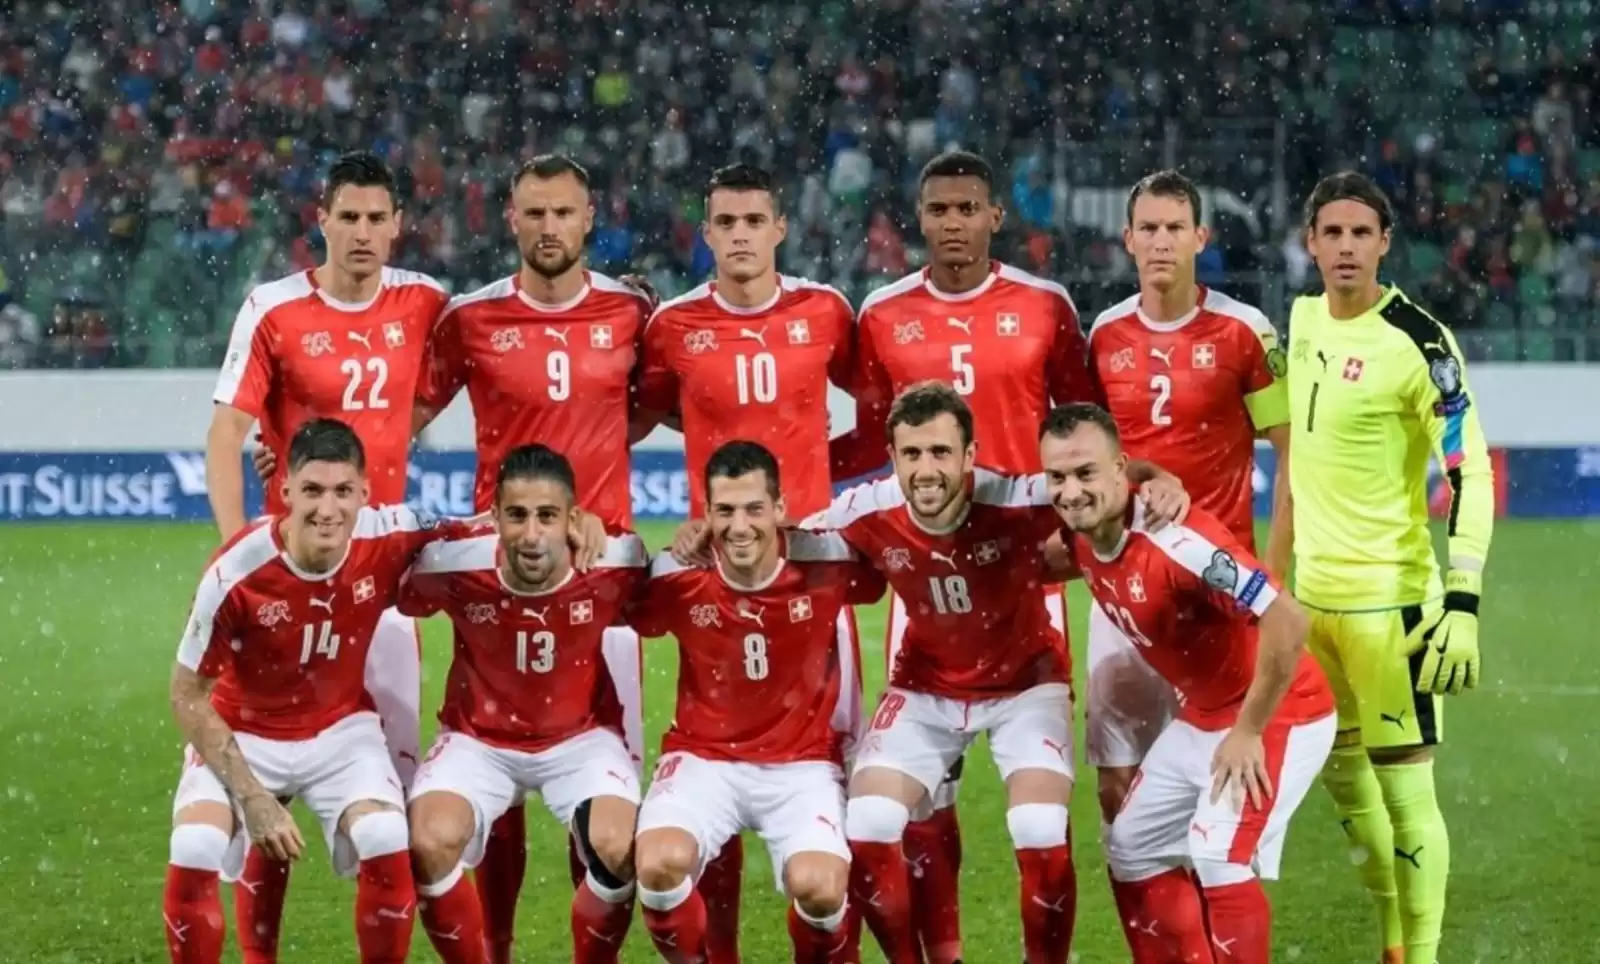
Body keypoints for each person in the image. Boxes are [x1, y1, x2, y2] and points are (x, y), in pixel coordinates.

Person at [797, 382, 1186, 964]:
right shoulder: (866, 508)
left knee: (1038, 825)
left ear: (970, 455)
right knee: (870, 821)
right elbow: (784, 540)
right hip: (925, 686)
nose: (926, 470)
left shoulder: (1016, 497)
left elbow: (1106, 475)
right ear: (892, 456)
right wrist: (708, 536)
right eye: (911, 454)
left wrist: (1161, 478)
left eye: (941, 452)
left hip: (1025, 686)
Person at [826, 151, 1099, 964]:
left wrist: (1078, 534)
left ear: (994, 217)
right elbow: (867, 441)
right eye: (939, 209)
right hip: (923, 580)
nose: (953, 223)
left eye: (967, 208)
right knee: (915, 807)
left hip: (1023, 567)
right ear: (920, 217)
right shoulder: (882, 314)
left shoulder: (1045, 305)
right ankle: (940, 951)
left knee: (1038, 819)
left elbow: (1084, 429)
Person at [203, 151, 449, 964]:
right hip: (295, 578)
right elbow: (226, 434)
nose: (363, 232)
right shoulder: (274, 308)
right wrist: (240, 551)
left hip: (383, 584)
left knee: (398, 808)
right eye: (349, 217)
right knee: (269, 777)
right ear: (323, 220)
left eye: (378, 218)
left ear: (398, 225)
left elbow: (465, 366)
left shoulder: (425, 301)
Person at [415, 153, 655, 964]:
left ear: (590, 219)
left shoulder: (631, 311)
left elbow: (657, 408)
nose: (549, 227)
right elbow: (400, 418)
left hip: (603, 587)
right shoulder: (471, 318)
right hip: (503, 572)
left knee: (605, 815)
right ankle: (500, 946)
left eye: (563, 212)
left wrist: (594, 516)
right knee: (496, 780)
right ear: (511, 218)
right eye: (535, 213)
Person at [639, 162, 863, 961]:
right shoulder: (672, 325)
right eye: (725, 222)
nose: (739, 236)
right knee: (716, 756)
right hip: (722, 569)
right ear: (706, 233)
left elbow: (877, 406)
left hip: (814, 576)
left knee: (842, 779)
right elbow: (644, 412)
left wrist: (827, 481)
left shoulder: (826, 311)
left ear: (780, 229)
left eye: (753, 221)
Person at [1038, 402, 1334, 964]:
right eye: (1058, 477)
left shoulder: (1179, 541)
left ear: (1119, 470)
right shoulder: (1079, 533)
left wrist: (1248, 731)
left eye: (1085, 473)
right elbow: (1030, 557)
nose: (1070, 491)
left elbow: (1288, 620)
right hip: (1203, 714)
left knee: (1218, 854)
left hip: (1281, 710)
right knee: (1132, 847)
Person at [163, 418, 459, 964]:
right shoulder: (234, 573)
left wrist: (571, 529)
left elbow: (481, 531)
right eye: (313, 490)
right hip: (244, 730)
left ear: (365, 493)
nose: (328, 508)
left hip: (339, 729)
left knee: (384, 834)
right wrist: (254, 798)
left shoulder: (389, 532)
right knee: (194, 844)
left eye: (343, 491)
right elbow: (186, 694)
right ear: (286, 492)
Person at [1289, 172, 1492, 964]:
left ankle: (1425, 956)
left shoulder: (1419, 342)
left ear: (1384, 243)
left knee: (1408, 795)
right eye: (1332, 233)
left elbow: (1468, 469)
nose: (1346, 247)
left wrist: (1463, 597)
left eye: (1360, 233)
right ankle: (1393, 943)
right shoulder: (1302, 319)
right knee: (1347, 790)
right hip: (1311, 610)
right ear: (1310, 243)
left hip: (1390, 609)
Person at [1083, 169, 1294, 834]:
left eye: (1175, 227)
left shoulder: (1244, 331)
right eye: (1148, 228)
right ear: (1127, 239)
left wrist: (1272, 575)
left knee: (1219, 781)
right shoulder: (1105, 335)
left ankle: (1211, 894)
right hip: (1124, 587)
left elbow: (1292, 456)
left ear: (1201, 237)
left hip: (1214, 589)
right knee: (1117, 780)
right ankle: (1152, 897)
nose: (1161, 241)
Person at [629, 441, 884, 964]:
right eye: (724, 511)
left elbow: (884, 565)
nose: (739, 526)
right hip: (703, 758)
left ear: (780, 508)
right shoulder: (676, 577)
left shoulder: (828, 561)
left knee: (820, 889)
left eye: (753, 509)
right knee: (657, 866)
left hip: (801, 765)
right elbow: (617, 600)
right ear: (705, 514)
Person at [399, 444, 648, 964]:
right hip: (476, 739)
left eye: (547, 516)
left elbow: (673, 583)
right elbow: (398, 584)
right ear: (494, 517)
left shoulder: (615, 562)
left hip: (580, 738)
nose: (531, 534)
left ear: (572, 520)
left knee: (621, 846)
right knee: (427, 842)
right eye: (516, 516)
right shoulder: (451, 563)